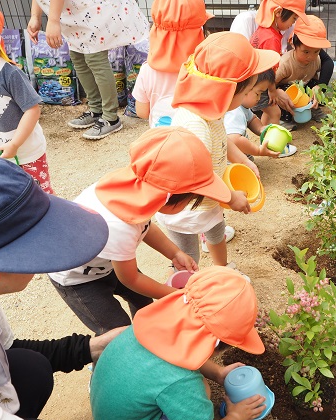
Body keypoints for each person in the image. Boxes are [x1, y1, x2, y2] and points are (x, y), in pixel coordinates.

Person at [0, 154, 206, 420]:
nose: (60, 243)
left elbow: (6, 351)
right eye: (41, 239)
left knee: (30, 368)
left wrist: (90, 347)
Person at [48, 127, 234, 335]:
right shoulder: (118, 225)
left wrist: (175, 253)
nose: (192, 204)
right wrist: (177, 296)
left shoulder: (137, 191)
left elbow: (146, 228)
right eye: (191, 200)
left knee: (143, 301)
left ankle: (146, 335)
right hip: (78, 278)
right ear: (170, 196)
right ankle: (108, 363)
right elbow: (131, 279)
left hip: (107, 261)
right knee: (115, 330)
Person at [90, 266, 266, 420]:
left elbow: (184, 351)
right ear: (216, 345)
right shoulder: (181, 382)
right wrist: (236, 418)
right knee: (202, 400)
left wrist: (218, 372)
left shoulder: (150, 327)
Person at [155, 32, 279, 271]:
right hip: (186, 209)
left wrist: (245, 161)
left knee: (216, 231)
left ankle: (222, 268)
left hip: (210, 200)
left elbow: (223, 139)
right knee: (188, 256)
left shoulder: (212, 110)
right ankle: (187, 288)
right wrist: (231, 198)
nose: (252, 98)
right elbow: (197, 178)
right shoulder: (194, 125)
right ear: (228, 90)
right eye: (250, 92)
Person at [0, 0, 54, 194]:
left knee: (39, 195)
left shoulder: (10, 73)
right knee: (10, 195)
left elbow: (32, 109)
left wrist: (15, 144)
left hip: (27, 154)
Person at [27, 0, 149, 140]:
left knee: (95, 57)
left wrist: (53, 21)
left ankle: (111, 117)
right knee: (77, 56)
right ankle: (96, 110)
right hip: (73, 12)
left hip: (90, 10)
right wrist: (35, 16)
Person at [133, 0, 212, 128]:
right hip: (198, 139)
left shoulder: (147, 70)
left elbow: (142, 112)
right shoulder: (205, 68)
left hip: (162, 141)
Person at [248, 0, 308, 127]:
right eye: (293, 18)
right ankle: (275, 144)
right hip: (260, 85)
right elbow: (269, 70)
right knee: (275, 113)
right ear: (279, 12)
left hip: (253, 83)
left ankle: (264, 139)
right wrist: (272, 90)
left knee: (268, 112)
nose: (293, 23)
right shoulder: (271, 39)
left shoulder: (263, 30)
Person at [224, 69, 297, 159]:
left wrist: (261, 129)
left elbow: (252, 120)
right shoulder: (235, 112)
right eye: (258, 93)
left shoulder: (242, 107)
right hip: (231, 161)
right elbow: (235, 140)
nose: (259, 98)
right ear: (244, 89)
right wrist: (257, 151)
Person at [275, 15, 332, 122]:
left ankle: (314, 109)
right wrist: (276, 91)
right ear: (294, 45)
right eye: (306, 52)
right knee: (287, 90)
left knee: (313, 85)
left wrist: (319, 88)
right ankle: (284, 118)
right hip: (287, 89)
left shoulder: (317, 59)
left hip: (303, 87)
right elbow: (271, 83)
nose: (311, 57)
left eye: (316, 51)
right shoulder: (286, 64)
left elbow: (328, 64)